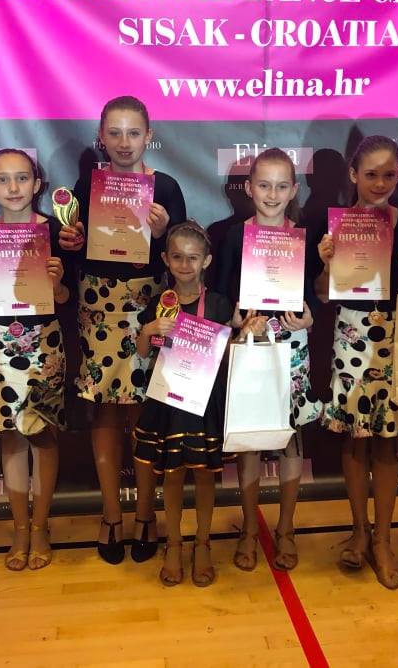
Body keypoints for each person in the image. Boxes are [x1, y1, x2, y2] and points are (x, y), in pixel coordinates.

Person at [59, 96, 186, 564]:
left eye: (133, 132)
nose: (124, 142)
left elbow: (182, 256)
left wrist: (165, 231)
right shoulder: (86, 184)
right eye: (115, 132)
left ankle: (146, 515)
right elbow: (75, 250)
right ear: (101, 136)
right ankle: (112, 515)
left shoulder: (165, 187)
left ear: (148, 135)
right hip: (98, 307)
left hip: (148, 305)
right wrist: (70, 240)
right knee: (106, 413)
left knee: (144, 415)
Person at [316, 135, 398, 589]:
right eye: (370, 175)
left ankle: (383, 539)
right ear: (353, 175)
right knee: (354, 439)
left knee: (386, 443)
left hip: (397, 339)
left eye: (389, 175)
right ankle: (359, 532)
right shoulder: (336, 225)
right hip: (351, 337)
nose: (380, 183)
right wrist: (326, 264)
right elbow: (323, 295)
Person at [213, 147, 321, 572]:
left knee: (292, 438)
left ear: (293, 190)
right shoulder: (232, 237)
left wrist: (309, 317)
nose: (272, 195)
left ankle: (286, 528)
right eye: (264, 185)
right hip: (250, 342)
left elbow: (314, 295)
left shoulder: (306, 237)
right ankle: (248, 528)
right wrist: (233, 319)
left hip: (292, 345)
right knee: (251, 437)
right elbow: (220, 294)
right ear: (248, 188)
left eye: (281, 186)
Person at [0, 149, 69, 571]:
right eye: (3, 179)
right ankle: (20, 529)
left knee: (42, 435)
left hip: (44, 344)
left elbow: (66, 298)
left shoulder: (56, 233)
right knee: (10, 436)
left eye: (22, 178)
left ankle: (41, 527)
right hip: (0, 346)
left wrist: (57, 283)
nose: (13, 187)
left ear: (37, 184)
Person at [134, 221, 240, 586]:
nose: (184, 264)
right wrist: (148, 330)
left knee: (206, 476)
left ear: (206, 261)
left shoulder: (221, 304)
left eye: (192, 258)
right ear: (165, 259)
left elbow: (228, 360)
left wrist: (237, 337)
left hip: (205, 402)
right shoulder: (158, 304)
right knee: (173, 474)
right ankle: (175, 544)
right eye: (177, 257)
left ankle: (203, 543)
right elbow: (143, 353)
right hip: (168, 401)